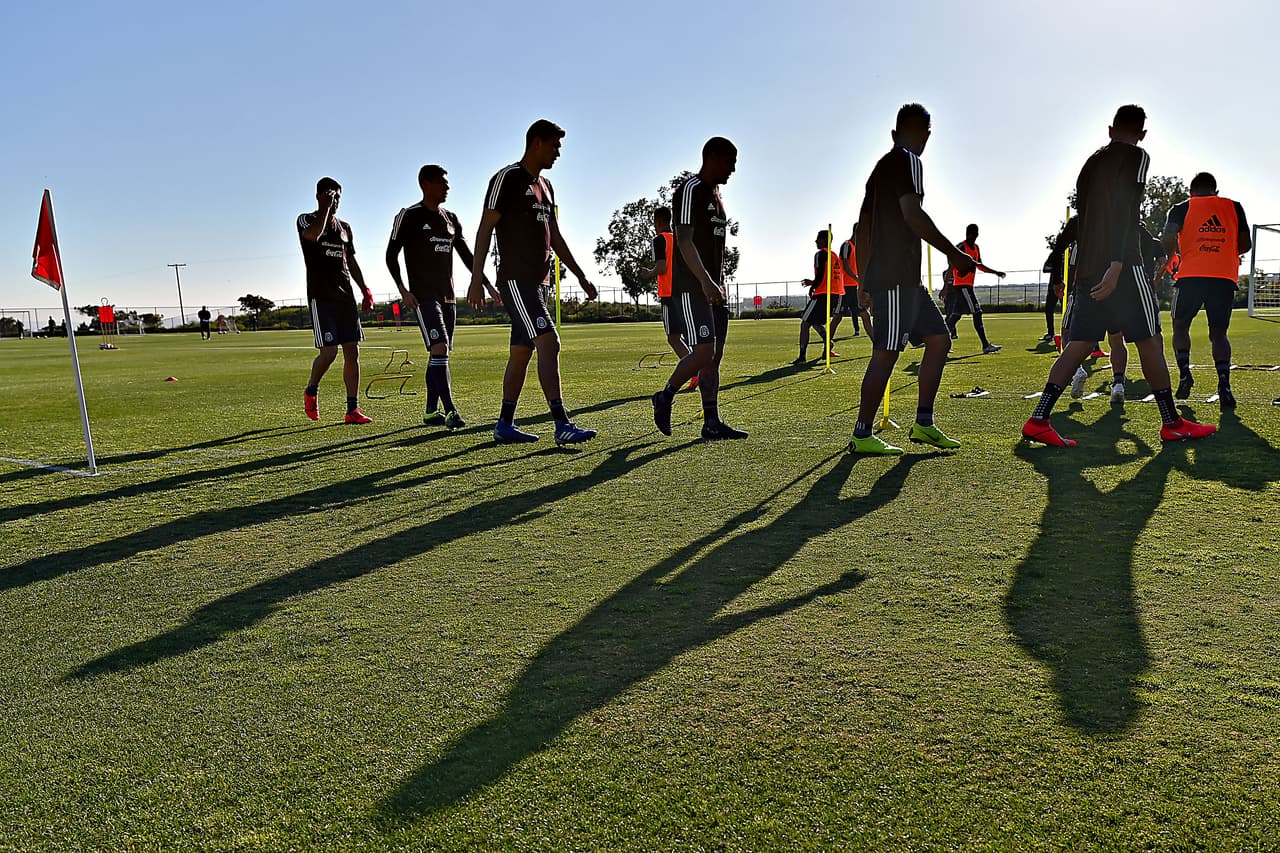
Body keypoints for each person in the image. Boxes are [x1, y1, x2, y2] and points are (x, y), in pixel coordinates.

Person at [1022, 105, 1215, 446]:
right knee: (1149, 339)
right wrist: (1117, 263)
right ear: (1142, 134)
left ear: (1110, 129)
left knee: (1079, 343)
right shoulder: (1137, 156)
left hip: (1088, 265)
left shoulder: (1090, 163)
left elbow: (1086, 216)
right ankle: (1172, 423)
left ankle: (1039, 419)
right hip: (1123, 266)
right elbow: (1127, 208)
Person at [847, 103, 976, 455]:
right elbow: (912, 214)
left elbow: (863, 229)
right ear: (927, 135)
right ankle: (861, 433)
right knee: (886, 352)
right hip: (894, 279)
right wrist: (952, 251)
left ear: (894, 133)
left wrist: (861, 280)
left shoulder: (879, 170)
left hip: (905, 281)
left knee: (939, 340)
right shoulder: (909, 161)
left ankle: (924, 423)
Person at [467, 119, 598, 445]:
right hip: (516, 281)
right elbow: (485, 229)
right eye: (554, 146)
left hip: (539, 284)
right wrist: (476, 279)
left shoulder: (547, 186)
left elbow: (555, 237)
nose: (557, 153)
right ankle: (561, 423)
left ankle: (504, 425)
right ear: (537, 142)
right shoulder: (506, 178)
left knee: (521, 354)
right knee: (549, 343)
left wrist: (580, 274)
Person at [650, 136, 748, 440]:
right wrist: (705, 280)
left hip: (713, 289)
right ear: (713, 158)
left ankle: (711, 421)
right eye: (730, 162)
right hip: (692, 287)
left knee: (714, 356)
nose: (733, 169)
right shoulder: (690, 190)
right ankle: (664, 396)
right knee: (703, 352)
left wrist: (716, 283)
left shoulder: (717, 196)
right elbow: (684, 240)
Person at [387, 164, 498, 429]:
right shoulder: (409, 216)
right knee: (439, 349)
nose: (447, 187)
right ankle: (450, 411)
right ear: (426, 183)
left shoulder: (451, 219)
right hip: (423, 296)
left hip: (448, 297)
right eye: (442, 182)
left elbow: (468, 257)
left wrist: (487, 285)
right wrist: (403, 290)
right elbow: (391, 255)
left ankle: (429, 412)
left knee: (440, 354)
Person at [1162, 171, 1252, 408]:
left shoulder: (1181, 207)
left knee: (1180, 325)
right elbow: (1245, 245)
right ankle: (1224, 383)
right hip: (1223, 276)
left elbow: (1168, 235)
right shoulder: (1234, 206)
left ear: (1191, 192)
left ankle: (1184, 372)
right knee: (1219, 334)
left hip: (1191, 275)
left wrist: (1173, 254)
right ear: (1216, 191)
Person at [298, 176, 375, 424]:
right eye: (332, 196)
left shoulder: (345, 228)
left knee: (352, 351)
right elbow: (312, 235)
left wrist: (365, 289)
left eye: (339, 197)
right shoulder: (307, 219)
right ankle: (311, 389)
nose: (336, 201)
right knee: (329, 352)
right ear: (320, 195)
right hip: (322, 297)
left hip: (345, 298)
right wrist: (324, 209)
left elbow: (350, 260)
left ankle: (352, 409)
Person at [639, 206, 696, 389]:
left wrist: (648, 274)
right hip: (685, 293)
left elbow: (662, 268)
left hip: (669, 294)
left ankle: (695, 372)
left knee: (673, 337)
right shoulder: (681, 239)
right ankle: (696, 370)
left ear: (659, 222)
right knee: (685, 335)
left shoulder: (659, 240)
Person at [944, 223, 1005, 353]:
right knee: (977, 312)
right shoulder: (961, 247)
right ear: (969, 234)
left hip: (966, 287)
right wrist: (945, 287)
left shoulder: (976, 248)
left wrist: (995, 272)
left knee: (955, 316)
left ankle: (940, 342)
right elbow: (951, 265)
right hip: (962, 286)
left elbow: (979, 265)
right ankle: (985, 345)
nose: (974, 237)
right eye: (972, 234)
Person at [794, 230, 844, 363]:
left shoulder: (820, 254)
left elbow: (821, 275)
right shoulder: (835, 256)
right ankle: (828, 341)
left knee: (805, 323)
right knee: (815, 321)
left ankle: (802, 357)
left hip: (822, 293)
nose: (816, 241)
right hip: (835, 295)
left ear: (823, 240)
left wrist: (812, 284)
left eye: (818, 239)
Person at [838, 225, 873, 339]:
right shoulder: (847, 245)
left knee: (864, 315)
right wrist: (857, 278)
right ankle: (827, 343)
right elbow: (846, 266)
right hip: (845, 287)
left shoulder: (858, 248)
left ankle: (877, 344)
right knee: (838, 317)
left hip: (855, 287)